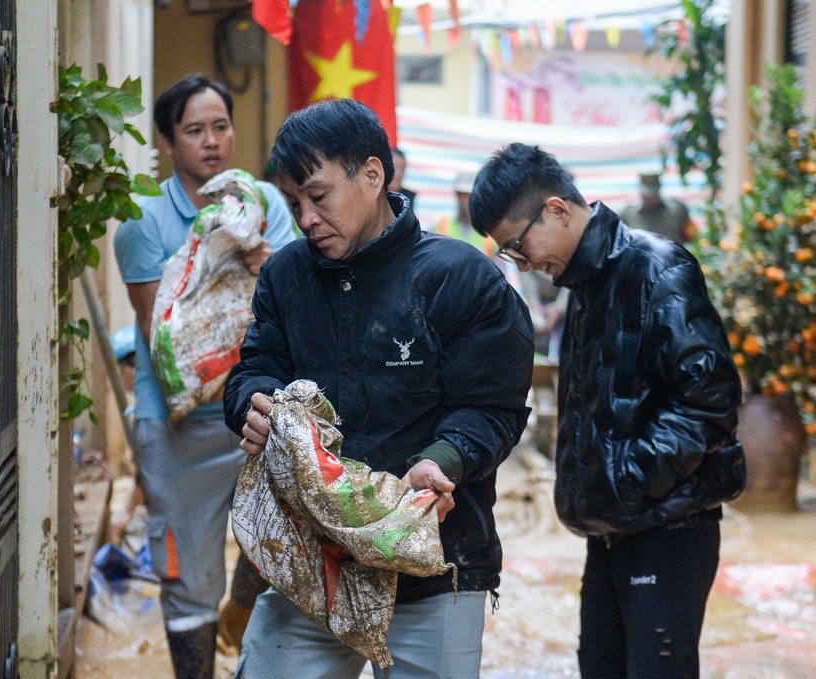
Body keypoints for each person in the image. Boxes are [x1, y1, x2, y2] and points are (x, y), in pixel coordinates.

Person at [223, 98, 534, 679]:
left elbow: (493, 407)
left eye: (318, 196)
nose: (306, 218)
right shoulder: (287, 276)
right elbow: (255, 367)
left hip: (436, 563)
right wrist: (253, 402)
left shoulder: (459, 278)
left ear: (373, 174)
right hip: (315, 563)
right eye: (294, 204)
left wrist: (443, 461)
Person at [468, 143, 746, 679]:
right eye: (510, 255)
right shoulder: (585, 284)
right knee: (600, 666)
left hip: (667, 526)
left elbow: (711, 400)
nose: (522, 264)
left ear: (556, 208)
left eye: (519, 246)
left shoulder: (656, 269)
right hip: (613, 526)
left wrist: (626, 480)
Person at [112, 73, 297, 679]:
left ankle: (242, 608)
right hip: (179, 425)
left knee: (280, 545)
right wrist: (223, 267)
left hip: (263, 414)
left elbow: (299, 306)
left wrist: (276, 270)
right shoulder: (143, 219)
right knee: (188, 573)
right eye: (195, 130)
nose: (212, 141)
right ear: (168, 141)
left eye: (221, 126)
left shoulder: (266, 206)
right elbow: (161, 334)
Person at [619, 172, 693, 244]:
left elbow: (692, 237)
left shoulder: (678, 210)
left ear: (658, 189)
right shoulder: (627, 215)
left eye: (652, 194)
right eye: (646, 195)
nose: (650, 198)